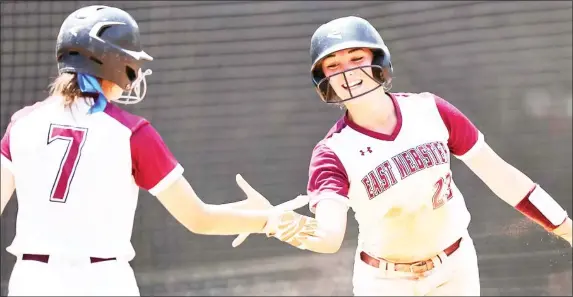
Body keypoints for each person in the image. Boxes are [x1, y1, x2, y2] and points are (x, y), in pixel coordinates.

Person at [233, 16, 572, 296]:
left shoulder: (431, 110)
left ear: (379, 62)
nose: (346, 71)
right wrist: (275, 222)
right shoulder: (332, 152)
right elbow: (330, 237)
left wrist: (566, 228)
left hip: (455, 268)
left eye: (356, 58)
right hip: (384, 281)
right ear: (325, 83)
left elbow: (503, 177)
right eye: (333, 65)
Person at [0, 5, 307, 296]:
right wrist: (268, 220)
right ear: (116, 64)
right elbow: (198, 218)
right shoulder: (131, 132)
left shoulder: (21, 124)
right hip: (103, 280)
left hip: (31, 279)